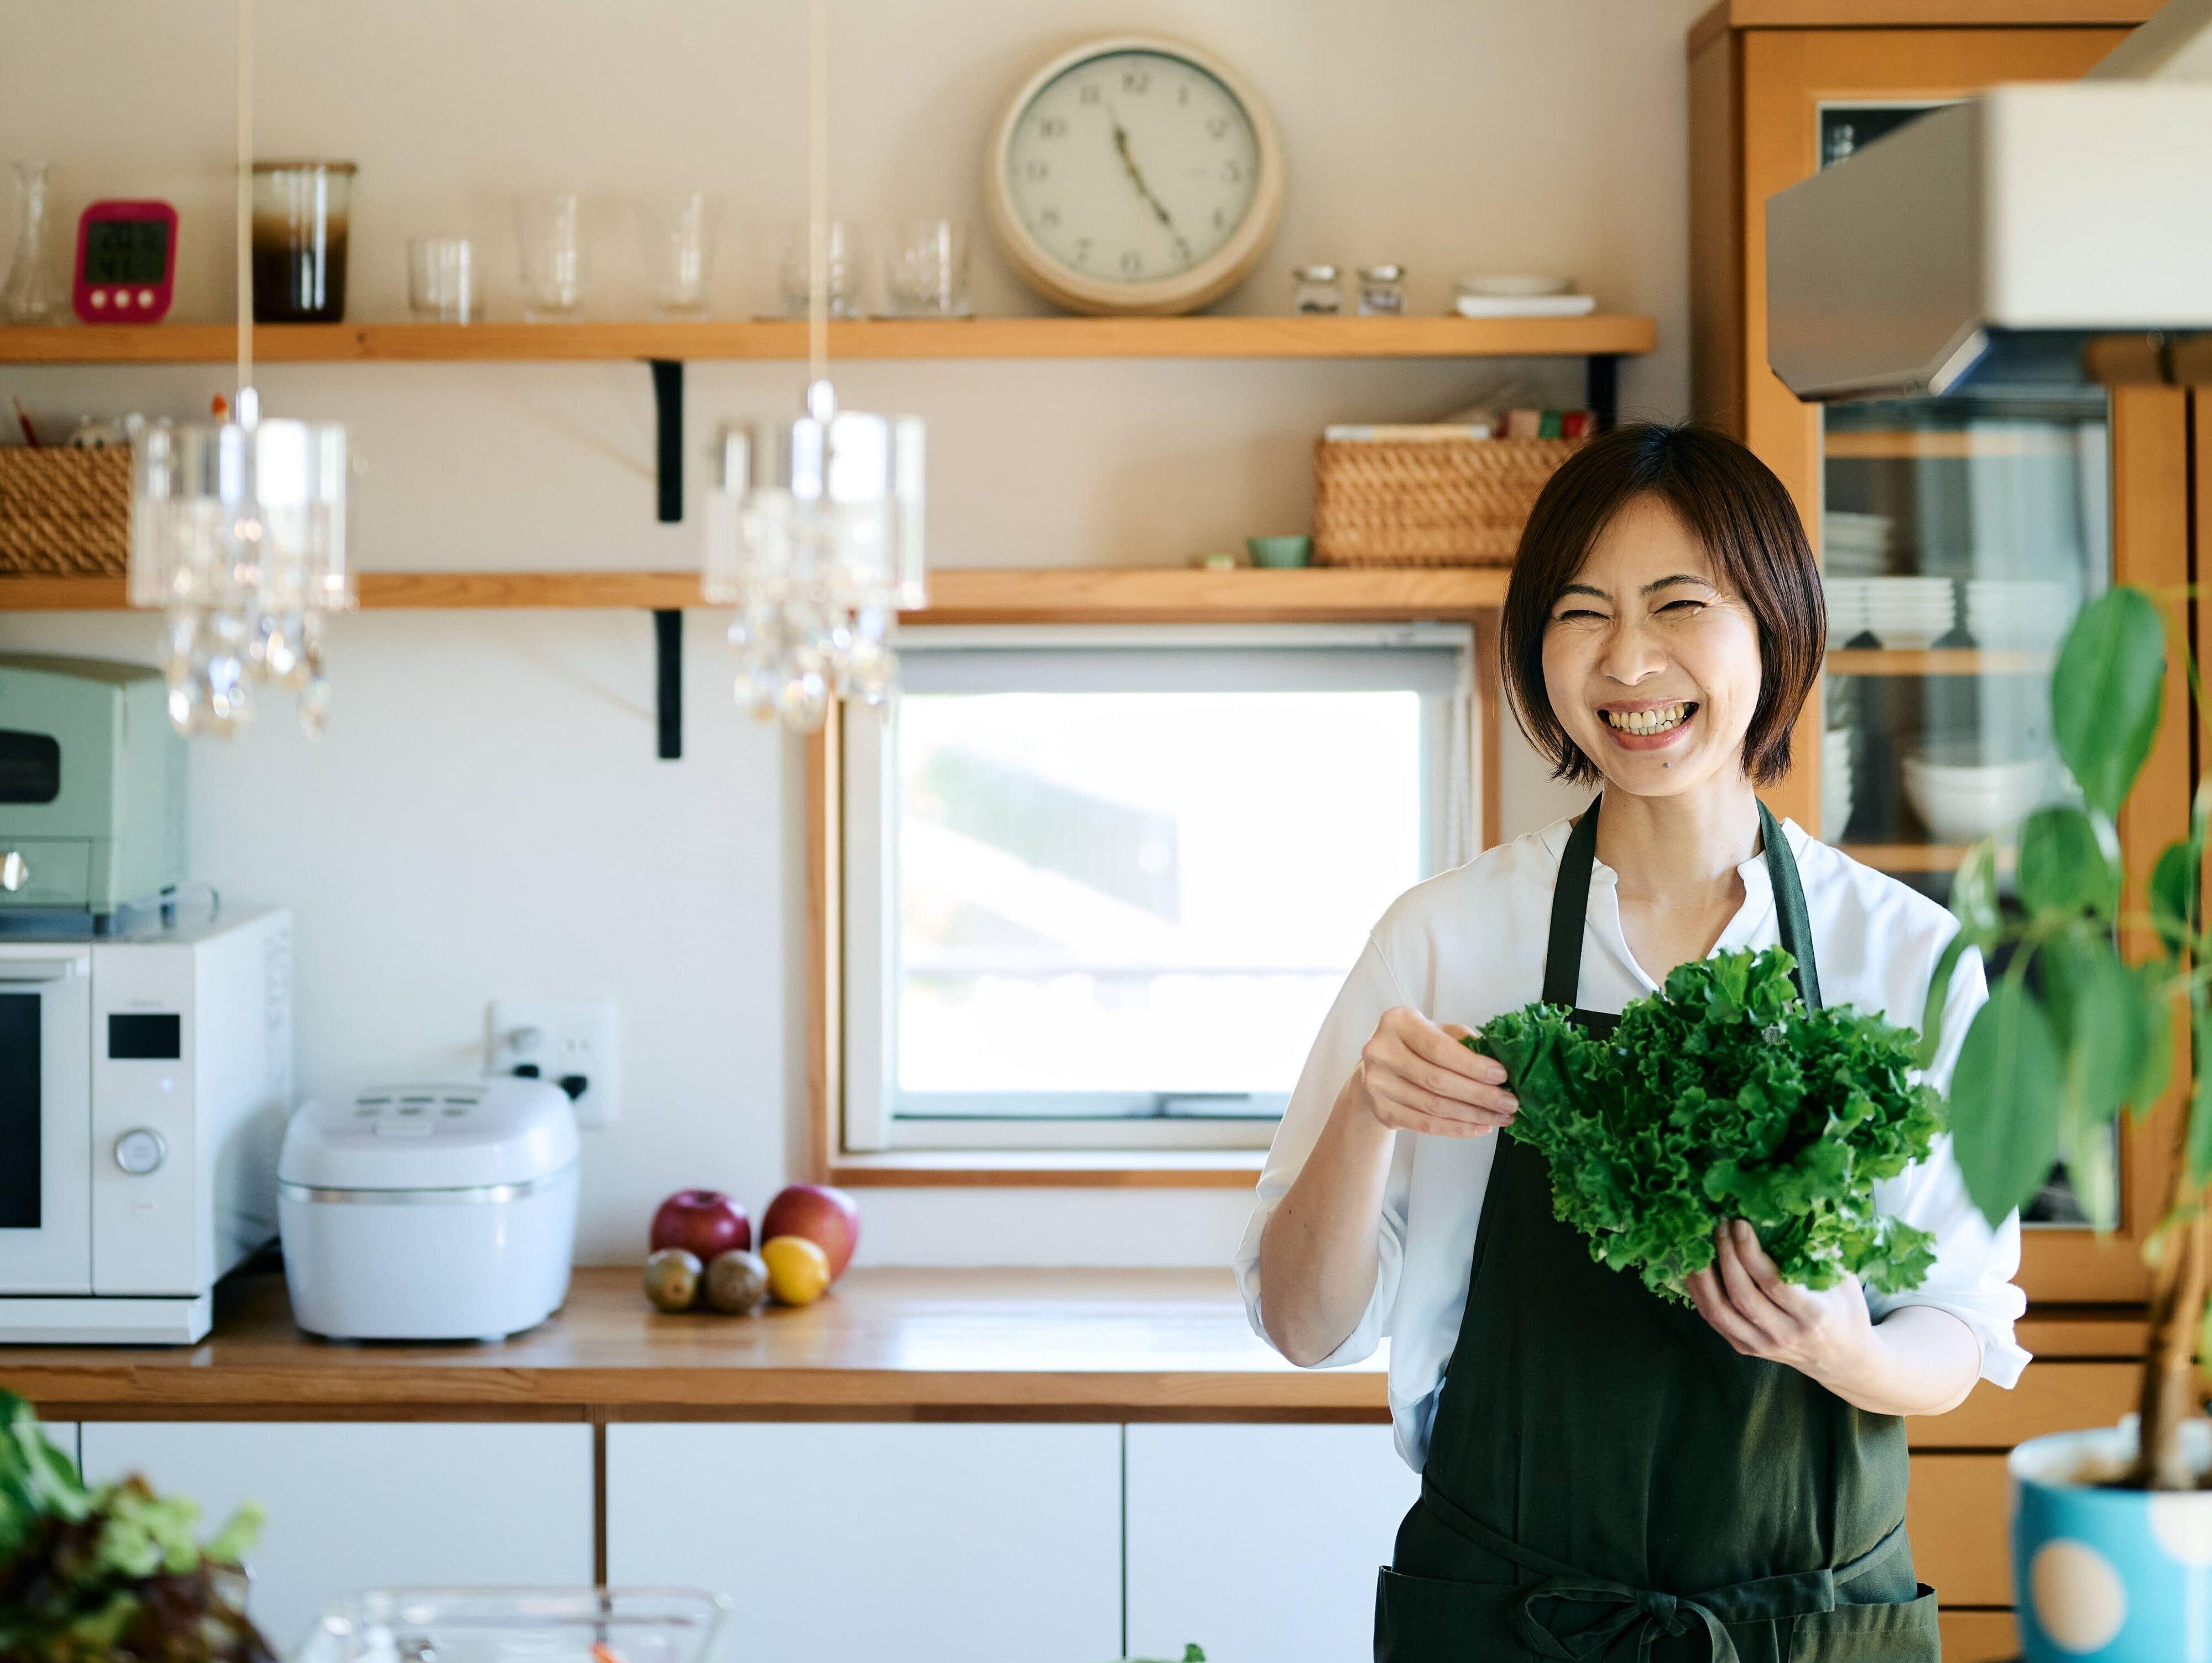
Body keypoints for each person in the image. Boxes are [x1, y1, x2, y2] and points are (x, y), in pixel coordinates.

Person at [1234, 423, 2025, 1662]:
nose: (1627, 660)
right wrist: (1362, 1116)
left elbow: (1960, 1331)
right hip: (1511, 1620)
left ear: (1773, 625)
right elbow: (1299, 1323)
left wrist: (1843, 1345)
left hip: (1804, 1626)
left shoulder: (1905, 957)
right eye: (1579, 612)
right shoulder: (1443, 941)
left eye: (1677, 605)